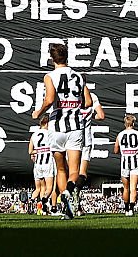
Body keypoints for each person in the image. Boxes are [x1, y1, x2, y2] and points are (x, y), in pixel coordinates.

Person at [31, 42, 94, 220]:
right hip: (75, 126)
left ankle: (65, 203)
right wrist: (74, 105)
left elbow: (50, 99)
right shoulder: (79, 77)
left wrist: (39, 111)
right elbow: (88, 102)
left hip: (57, 126)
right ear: (67, 57)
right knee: (74, 170)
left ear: (52, 59)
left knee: (60, 169)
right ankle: (69, 192)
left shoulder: (50, 76)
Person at [77, 95, 105, 213]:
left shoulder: (70, 95)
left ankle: (73, 203)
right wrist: (90, 115)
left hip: (71, 138)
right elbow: (101, 116)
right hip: (86, 139)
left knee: (71, 173)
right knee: (82, 173)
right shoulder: (91, 97)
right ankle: (76, 200)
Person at [114, 115, 138, 216]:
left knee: (126, 188)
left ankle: (126, 208)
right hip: (135, 161)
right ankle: (131, 209)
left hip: (124, 162)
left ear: (125, 123)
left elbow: (115, 150)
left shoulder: (120, 135)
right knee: (133, 188)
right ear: (133, 123)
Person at [29, 115, 56, 216]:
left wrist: (39, 151)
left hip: (37, 164)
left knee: (40, 188)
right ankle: (44, 201)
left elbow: (30, 151)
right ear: (48, 123)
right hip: (48, 162)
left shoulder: (34, 135)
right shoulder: (50, 133)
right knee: (50, 188)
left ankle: (32, 202)